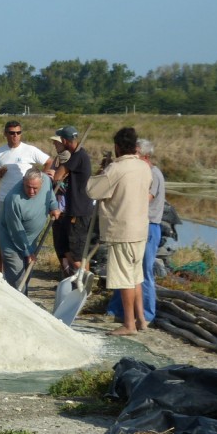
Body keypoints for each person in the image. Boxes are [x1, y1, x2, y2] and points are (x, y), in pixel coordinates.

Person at [87, 127, 152, 336]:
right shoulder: (144, 167)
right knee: (135, 277)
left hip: (122, 230)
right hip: (140, 228)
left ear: (117, 147)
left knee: (125, 279)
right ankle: (141, 320)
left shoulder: (116, 169)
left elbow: (92, 190)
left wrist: (103, 169)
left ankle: (129, 324)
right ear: (135, 146)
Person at [106, 138, 166, 324]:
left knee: (143, 272)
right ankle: (121, 310)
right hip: (136, 225)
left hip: (147, 225)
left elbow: (142, 198)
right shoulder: (142, 171)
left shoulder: (152, 173)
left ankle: (146, 314)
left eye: (136, 154)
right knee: (127, 271)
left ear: (144, 155)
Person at [0, 121, 52, 273]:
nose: (15, 136)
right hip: (4, 199)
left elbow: (49, 161)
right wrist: (0, 173)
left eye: (18, 132)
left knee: (24, 234)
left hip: (25, 200)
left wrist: (41, 179)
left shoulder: (29, 150)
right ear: (5, 134)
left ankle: (24, 267)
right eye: (11, 133)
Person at [0, 168, 61, 293]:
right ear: (23, 181)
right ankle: (17, 307)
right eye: (27, 187)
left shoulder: (46, 180)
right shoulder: (13, 200)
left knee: (27, 274)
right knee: (18, 280)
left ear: (41, 183)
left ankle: (24, 303)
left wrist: (53, 206)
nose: (31, 191)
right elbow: (16, 230)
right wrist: (27, 251)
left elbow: (49, 194)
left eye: (35, 188)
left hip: (31, 240)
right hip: (12, 242)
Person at [52, 125, 94, 274]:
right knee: (64, 246)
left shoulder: (77, 156)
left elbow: (57, 177)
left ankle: (85, 279)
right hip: (74, 209)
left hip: (78, 211)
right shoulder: (77, 155)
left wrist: (62, 164)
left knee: (77, 252)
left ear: (64, 140)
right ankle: (78, 279)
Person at [49, 135, 73, 275]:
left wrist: (56, 179)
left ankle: (73, 275)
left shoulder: (71, 159)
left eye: (56, 142)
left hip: (67, 208)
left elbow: (69, 185)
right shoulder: (58, 158)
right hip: (57, 207)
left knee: (67, 246)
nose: (54, 144)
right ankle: (65, 275)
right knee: (59, 245)